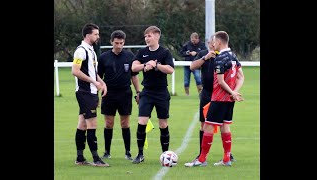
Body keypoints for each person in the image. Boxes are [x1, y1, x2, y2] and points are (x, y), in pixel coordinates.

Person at [185, 31, 244, 167]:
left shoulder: (220, 58)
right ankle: (226, 158)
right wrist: (234, 92)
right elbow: (241, 77)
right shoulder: (233, 56)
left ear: (217, 42)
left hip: (218, 98)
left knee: (208, 126)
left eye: (214, 41)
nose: (212, 44)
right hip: (226, 98)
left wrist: (232, 92)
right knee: (224, 126)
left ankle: (202, 159)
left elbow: (221, 81)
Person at [131, 26, 175, 164]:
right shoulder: (142, 52)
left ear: (157, 36)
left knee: (163, 124)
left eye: (149, 36)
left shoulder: (165, 52)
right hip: (147, 92)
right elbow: (133, 67)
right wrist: (145, 65)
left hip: (161, 92)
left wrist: (156, 66)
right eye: (145, 36)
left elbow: (170, 69)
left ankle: (165, 154)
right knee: (142, 121)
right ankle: (140, 154)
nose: (146, 39)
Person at [97, 30, 141, 161]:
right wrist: (98, 92)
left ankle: (128, 152)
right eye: (116, 43)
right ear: (111, 42)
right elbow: (98, 77)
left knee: (125, 123)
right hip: (108, 94)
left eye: (121, 43)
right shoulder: (104, 57)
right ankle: (107, 152)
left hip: (125, 93)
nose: (119, 46)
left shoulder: (130, 56)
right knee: (109, 123)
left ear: (124, 42)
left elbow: (134, 77)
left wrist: (138, 92)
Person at [71, 23, 109, 167]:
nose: (98, 36)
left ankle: (80, 158)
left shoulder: (91, 50)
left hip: (91, 91)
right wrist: (94, 82)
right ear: (88, 35)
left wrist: (102, 83)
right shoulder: (81, 51)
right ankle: (96, 159)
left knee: (82, 124)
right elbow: (75, 71)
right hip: (84, 92)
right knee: (92, 123)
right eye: (96, 34)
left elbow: (92, 71)